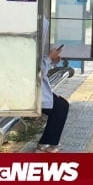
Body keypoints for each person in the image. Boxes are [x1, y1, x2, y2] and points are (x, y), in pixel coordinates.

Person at [36, 17, 70, 153]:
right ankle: (47, 143)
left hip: (30, 88)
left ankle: (48, 142)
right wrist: (50, 59)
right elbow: (35, 71)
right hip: (26, 90)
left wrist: (51, 60)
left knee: (60, 105)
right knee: (60, 106)